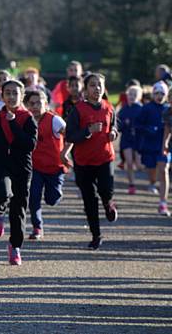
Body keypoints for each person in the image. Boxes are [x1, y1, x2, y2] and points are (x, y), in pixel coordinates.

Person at [0, 79, 37, 265]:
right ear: (2, 96)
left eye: (15, 93)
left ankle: (15, 247)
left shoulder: (27, 118)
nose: (11, 96)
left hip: (22, 167)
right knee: (2, 191)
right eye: (8, 93)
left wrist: (13, 124)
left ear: (22, 97)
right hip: (2, 163)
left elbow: (30, 144)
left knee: (19, 209)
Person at [62, 73, 118, 250]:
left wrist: (114, 133)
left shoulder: (109, 107)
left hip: (104, 158)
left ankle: (108, 203)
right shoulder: (78, 110)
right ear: (85, 90)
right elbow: (70, 135)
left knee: (105, 190)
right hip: (83, 162)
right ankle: (96, 235)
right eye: (93, 85)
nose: (97, 88)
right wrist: (88, 130)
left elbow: (115, 126)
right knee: (89, 199)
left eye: (100, 85)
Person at [26, 90, 67, 240]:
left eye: (39, 103)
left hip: (55, 167)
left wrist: (65, 153)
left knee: (52, 199)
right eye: (32, 103)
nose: (35, 106)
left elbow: (70, 136)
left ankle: (57, 193)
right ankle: (37, 227)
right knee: (33, 197)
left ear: (46, 104)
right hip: (36, 168)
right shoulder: (27, 120)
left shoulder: (55, 120)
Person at [136, 81, 171, 215]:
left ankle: (163, 203)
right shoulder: (146, 108)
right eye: (157, 93)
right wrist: (148, 129)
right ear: (152, 94)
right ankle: (152, 182)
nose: (159, 96)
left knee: (164, 171)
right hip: (149, 145)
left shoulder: (168, 109)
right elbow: (137, 125)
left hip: (165, 146)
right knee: (152, 172)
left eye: (162, 93)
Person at [117, 85, 143, 195]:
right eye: (130, 94)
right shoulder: (123, 109)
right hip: (126, 139)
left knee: (139, 164)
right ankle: (131, 184)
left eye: (135, 95)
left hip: (138, 140)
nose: (132, 97)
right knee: (129, 162)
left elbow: (145, 123)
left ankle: (151, 180)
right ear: (127, 96)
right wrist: (124, 124)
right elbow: (118, 126)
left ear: (139, 97)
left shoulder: (142, 109)